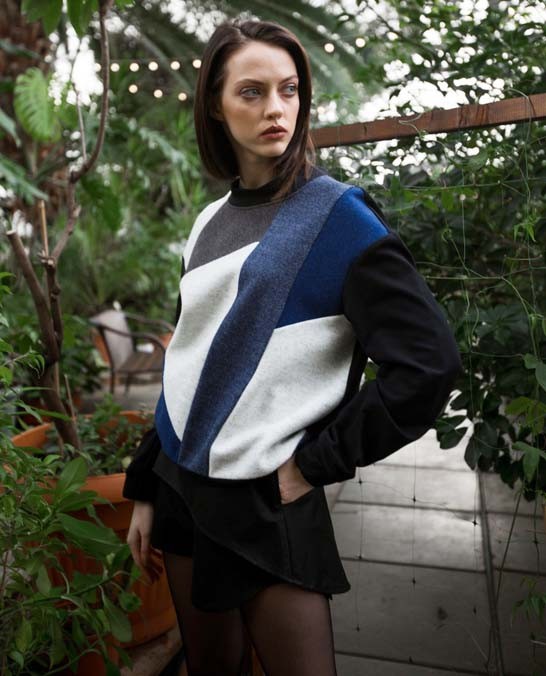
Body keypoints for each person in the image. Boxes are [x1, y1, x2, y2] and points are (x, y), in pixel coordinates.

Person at [123, 17, 463, 676]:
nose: (275, 108)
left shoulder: (338, 218)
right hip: (182, 489)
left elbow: (428, 364)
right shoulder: (208, 222)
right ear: (216, 106)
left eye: (289, 90)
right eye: (251, 92)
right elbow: (189, 363)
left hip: (267, 501)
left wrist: (317, 462)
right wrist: (145, 485)